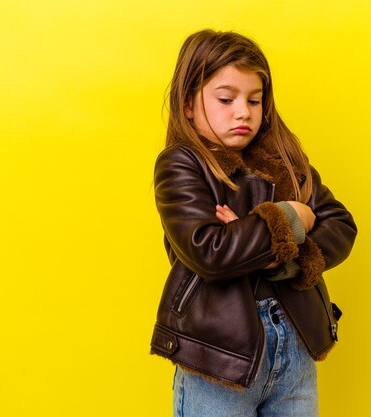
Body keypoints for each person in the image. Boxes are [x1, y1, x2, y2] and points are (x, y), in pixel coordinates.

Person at [150, 29, 357, 417]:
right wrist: (293, 216)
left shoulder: (285, 164)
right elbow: (211, 253)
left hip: (295, 348)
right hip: (219, 358)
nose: (243, 111)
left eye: (255, 99)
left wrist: (281, 257)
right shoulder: (181, 165)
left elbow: (341, 226)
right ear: (189, 105)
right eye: (226, 99)